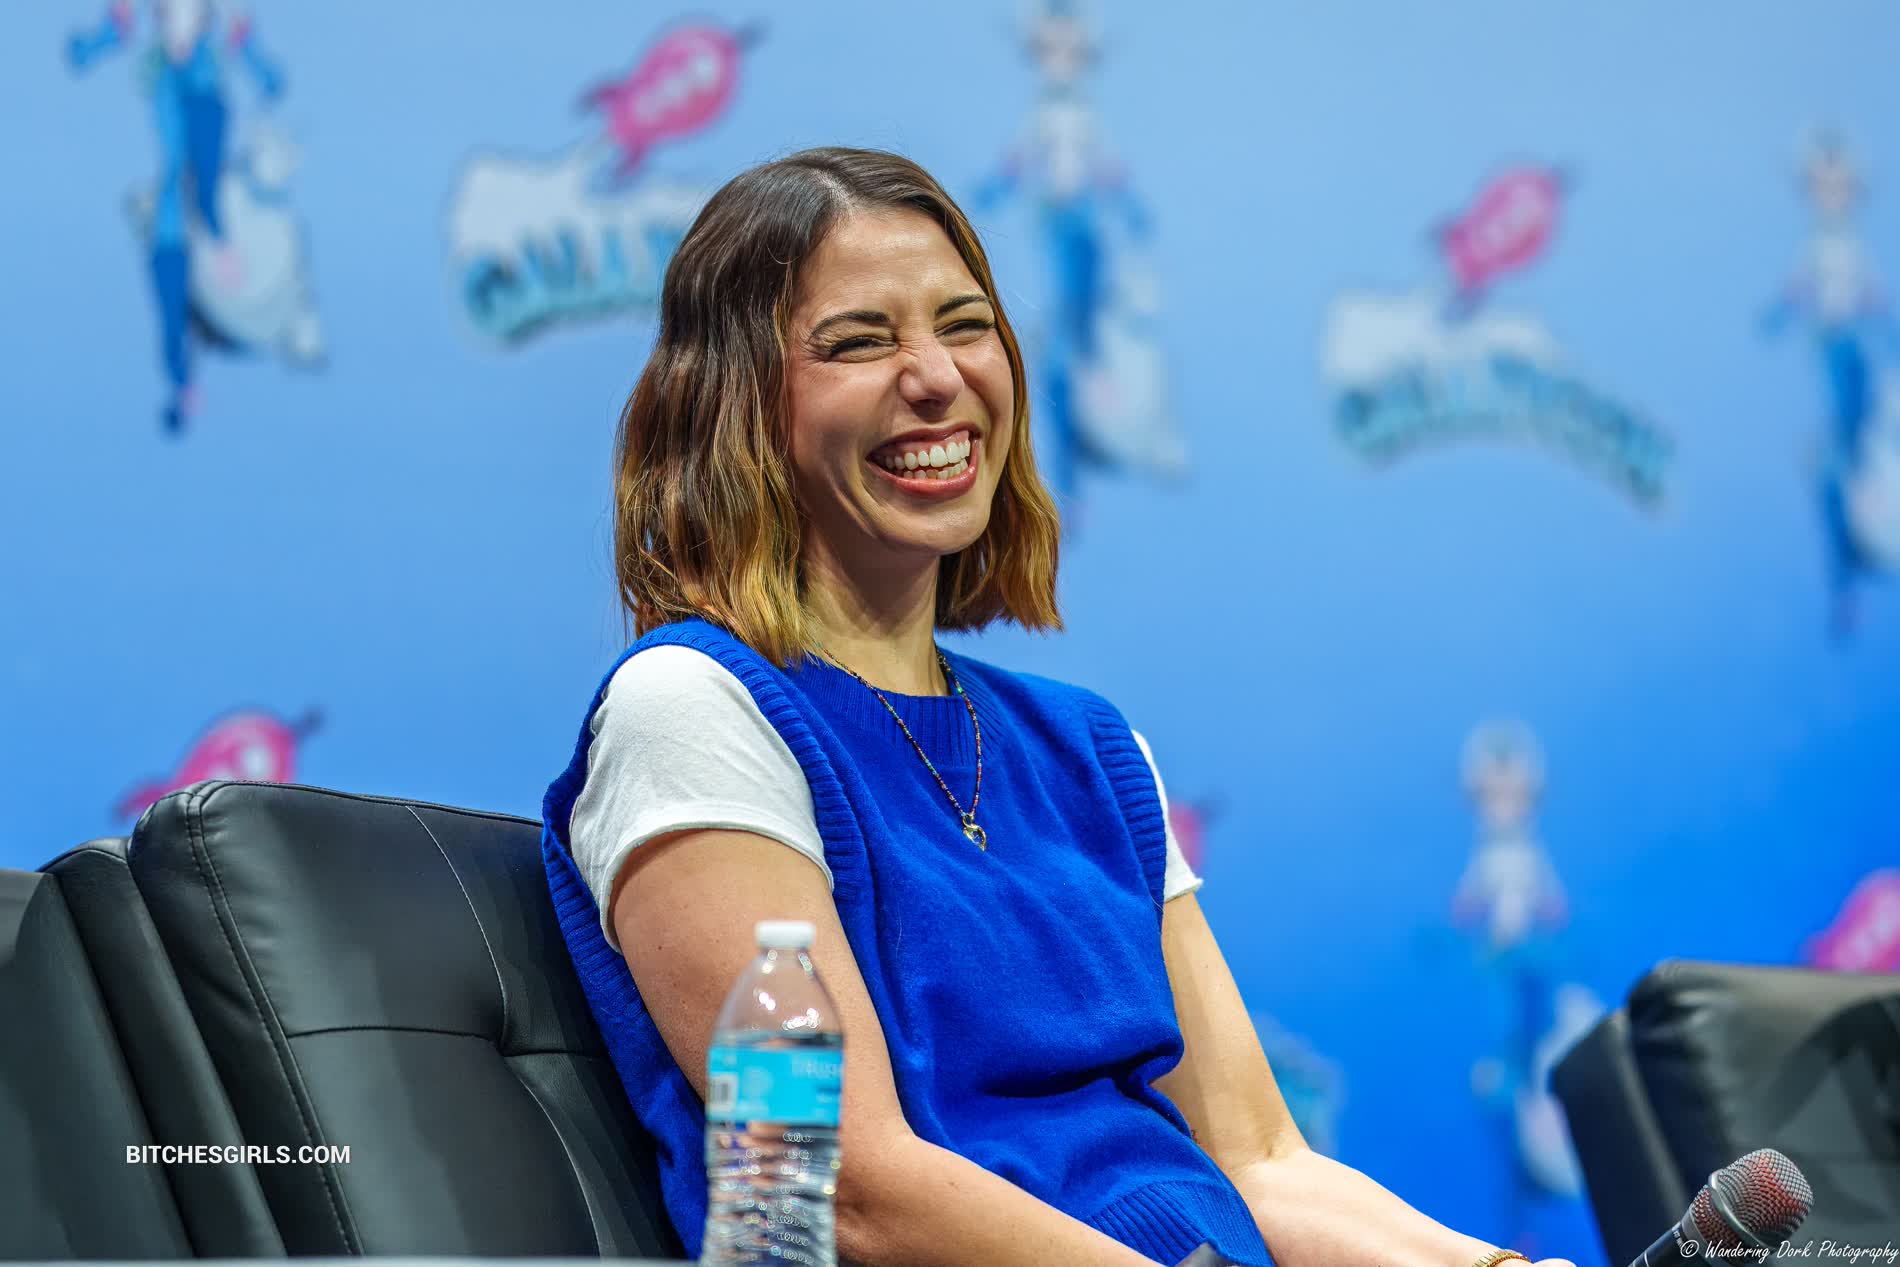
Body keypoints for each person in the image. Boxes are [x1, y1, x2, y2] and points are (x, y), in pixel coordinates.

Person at [540, 146, 1576, 1267]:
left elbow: (1261, 1160)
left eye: (965, 325)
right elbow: (846, 1187)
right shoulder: (693, 705)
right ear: (734, 402)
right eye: (860, 341)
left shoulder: (1090, 749)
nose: (936, 376)